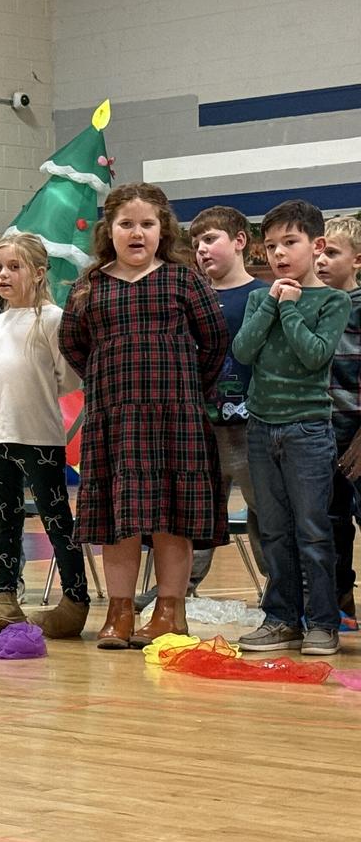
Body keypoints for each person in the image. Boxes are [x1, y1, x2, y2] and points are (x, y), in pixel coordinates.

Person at [59, 183, 229, 649]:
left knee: (172, 516)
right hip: (114, 420)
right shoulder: (90, 286)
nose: (137, 233)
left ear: (163, 230)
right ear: (109, 231)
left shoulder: (183, 280)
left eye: (147, 224)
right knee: (118, 519)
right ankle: (119, 612)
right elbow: (72, 343)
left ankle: (170, 612)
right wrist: (110, 381)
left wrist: (187, 390)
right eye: (127, 224)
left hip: (177, 418)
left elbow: (214, 342)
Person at [134, 206, 269, 610]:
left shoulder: (263, 296)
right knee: (196, 510)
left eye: (210, 240)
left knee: (265, 511)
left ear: (240, 241)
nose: (202, 250)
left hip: (250, 426)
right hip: (198, 424)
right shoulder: (193, 295)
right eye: (196, 244)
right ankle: (177, 588)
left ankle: (280, 590)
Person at [233, 200, 350, 654]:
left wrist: (290, 309)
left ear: (316, 246)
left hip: (308, 431)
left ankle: (322, 622)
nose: (279, 253)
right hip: (262, 428)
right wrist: (272, 303)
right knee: (274, 530)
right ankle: (281, 619)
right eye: (270, 246)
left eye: (290, 242)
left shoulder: (334, 300)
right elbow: (243, 351)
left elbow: (315, 355)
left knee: (314, 531)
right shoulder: (260, 298)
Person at [0, 234, 88, 637]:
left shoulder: (53, 319)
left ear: (38, 273)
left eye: (14, 267)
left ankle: (75, 597)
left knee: (56, 518)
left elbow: (68, 377)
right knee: (4, 518)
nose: (2, 275)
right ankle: (4, 596)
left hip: (39, 434)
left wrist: (35, 395)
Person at [322, 215, 361, 618]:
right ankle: (339, 601)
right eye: (318, 251)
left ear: (357, 260)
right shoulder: (311, 305)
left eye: (331, 252)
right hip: (322, 435)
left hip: (357, 434)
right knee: (331, 523)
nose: (321, 260)